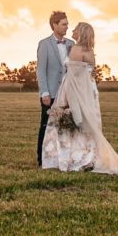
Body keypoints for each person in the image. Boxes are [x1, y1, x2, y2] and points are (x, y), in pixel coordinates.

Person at [41, 22, 118, 175]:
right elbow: (87, 74)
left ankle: (74, 159)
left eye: (76, 29)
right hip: (89, 90)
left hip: (77, 90)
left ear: (81, 33)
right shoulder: (90, 51)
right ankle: (88, 157)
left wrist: (69, 99)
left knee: (73, 123)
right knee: (87, 124)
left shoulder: (76, 49)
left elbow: (74, 76)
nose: (72, 30)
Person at [36, 11, 72, 167]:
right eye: (64, 24)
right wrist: (44, 92)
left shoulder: (71, 44)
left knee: (67, 126)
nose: (67, 27)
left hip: (68, 94)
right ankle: (42, 159)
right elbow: (40, 70)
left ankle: (63, 159)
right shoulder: (44, 44)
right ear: (54, 25)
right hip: (49, 93)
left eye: (67, 24)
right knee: (46, 126)